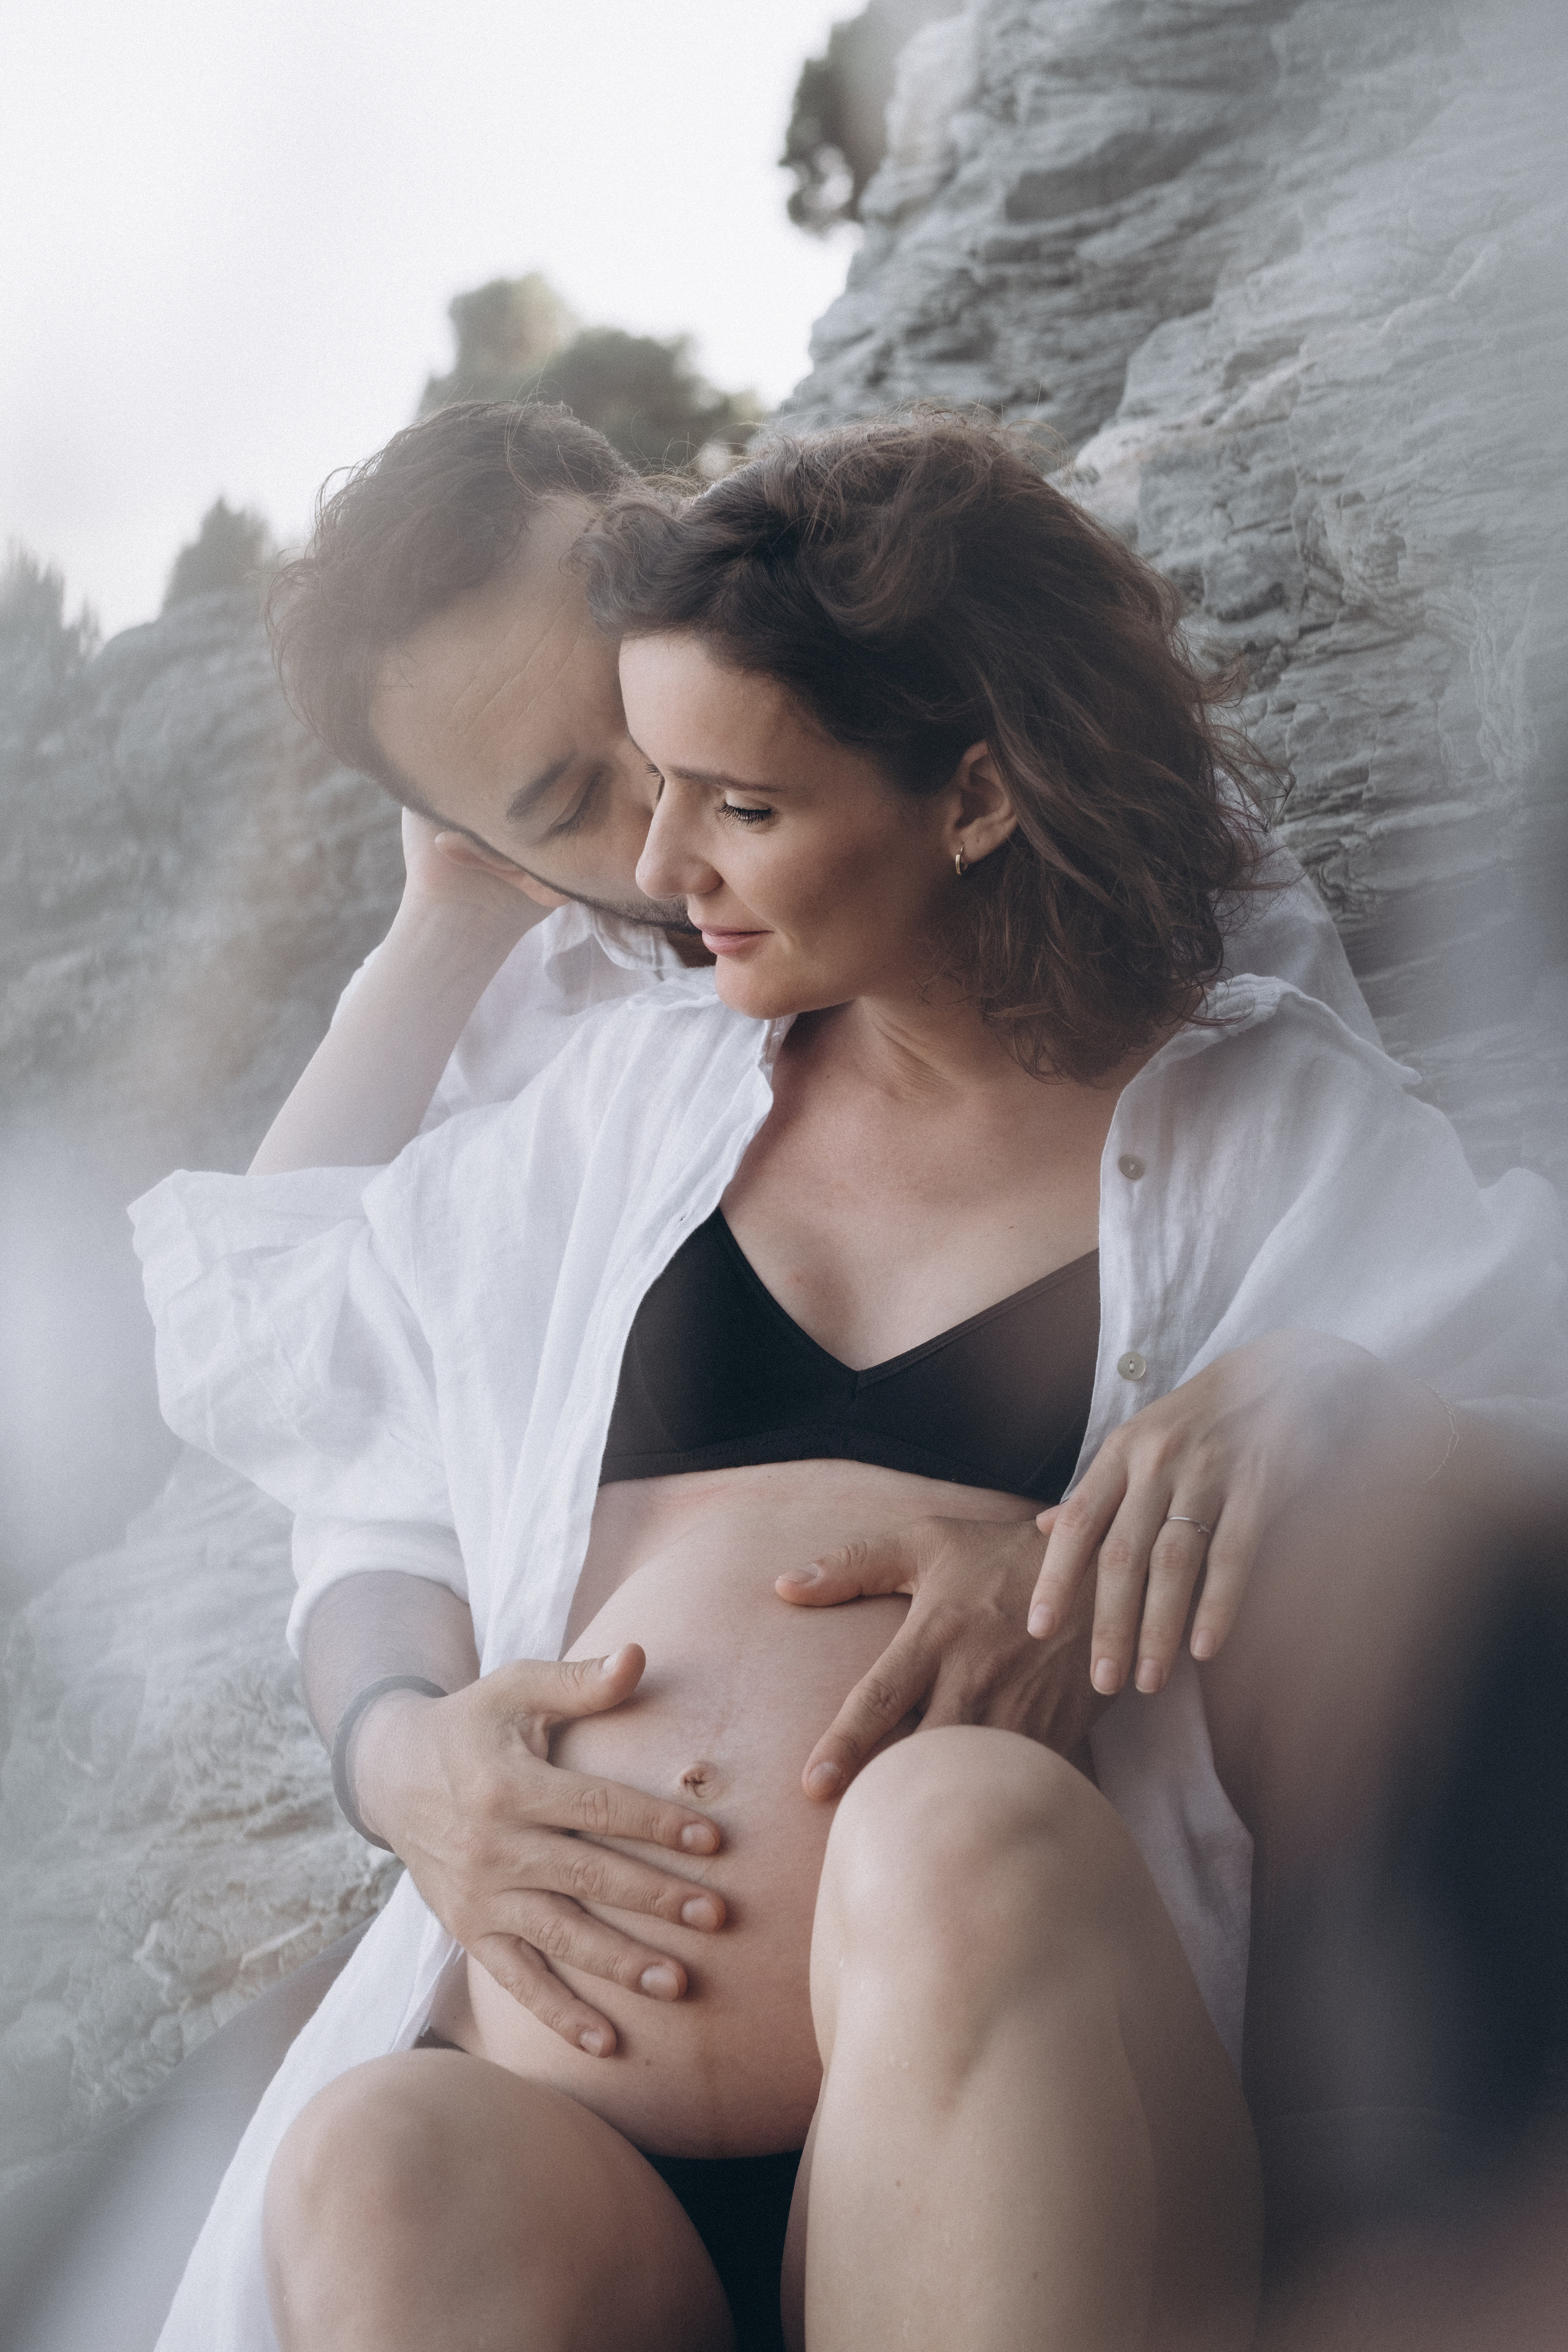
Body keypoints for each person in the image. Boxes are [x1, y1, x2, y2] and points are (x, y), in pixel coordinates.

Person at [130, 413, 1567, 2351]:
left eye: (710, 783)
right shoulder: (613, 1087)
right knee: (377, 2159)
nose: (657, 847)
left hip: (1021, 2059)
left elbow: (1506, 1429)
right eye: (591, 801)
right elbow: (279, 1364)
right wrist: (406, 1761)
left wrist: (1289, 1425)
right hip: (570, 2124)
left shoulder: (1234, 1095)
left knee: (948, 1826)